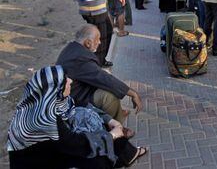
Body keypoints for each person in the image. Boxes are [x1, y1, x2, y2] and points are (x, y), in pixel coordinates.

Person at [7, 66, 147, 169]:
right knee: (98, 159)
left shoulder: (46, 100)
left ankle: (129, 154)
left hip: (57, 150)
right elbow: (77, 144)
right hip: (42, 162)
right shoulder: (45, 120)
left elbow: (82, 104)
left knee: (101, 128)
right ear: (56, 89)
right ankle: (123, 156)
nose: (70, 81)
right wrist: (110, 136)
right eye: (65, 80)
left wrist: (109, 120)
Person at [56, 24, 143, 125]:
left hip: (78, 92)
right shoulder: (80, 59)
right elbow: (104, 79)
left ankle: (117, 114)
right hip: (75, 100)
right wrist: (133, 93)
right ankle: (116, 129)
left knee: (110, 86)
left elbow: (98, 75)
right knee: (109, 97)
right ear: (88, 43)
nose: (100, 42)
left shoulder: (72, 48)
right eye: (97, 39)